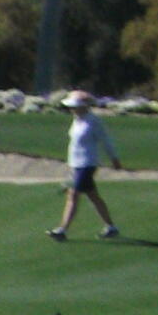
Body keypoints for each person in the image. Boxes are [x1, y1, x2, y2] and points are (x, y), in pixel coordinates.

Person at [51, 91, 122, 241]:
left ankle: (62, 229)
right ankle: (111, 227)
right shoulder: (77, 120)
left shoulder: (93, 121)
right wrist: (71, 167)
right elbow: (74, 145)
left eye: (75, 107)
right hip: (76, 164)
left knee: (73, 195)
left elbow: (106, 141)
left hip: (88, 164)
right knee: (93, 196)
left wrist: (114, 158)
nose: (72, 109)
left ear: (85, 107)